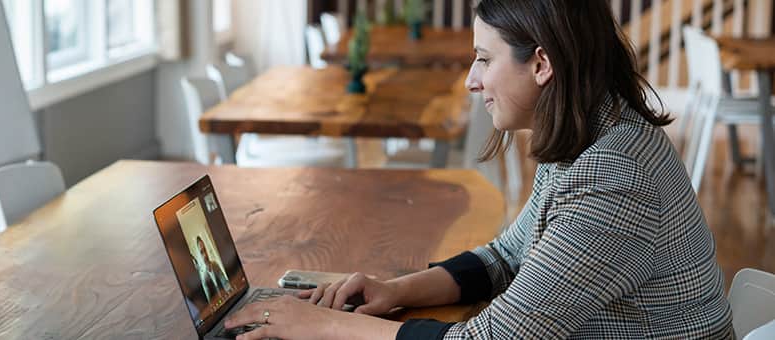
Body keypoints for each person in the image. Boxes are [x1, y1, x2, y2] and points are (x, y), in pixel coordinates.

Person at [223, 1, 735, 338]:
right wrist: (395, 290)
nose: (472, 80)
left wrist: (317, 326)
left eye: (484, 59)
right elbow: (507, 256)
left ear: (541, 64)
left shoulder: (616, 174)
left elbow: (493, 339)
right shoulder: (592, 134)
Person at [195, 235, 231, 303]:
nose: (205, 255)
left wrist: (230, 291)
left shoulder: (215, 265)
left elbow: (225, 283)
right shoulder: (203, 278)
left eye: (205, 250)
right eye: (202, 252)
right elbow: (210, 301)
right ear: (199, 255)